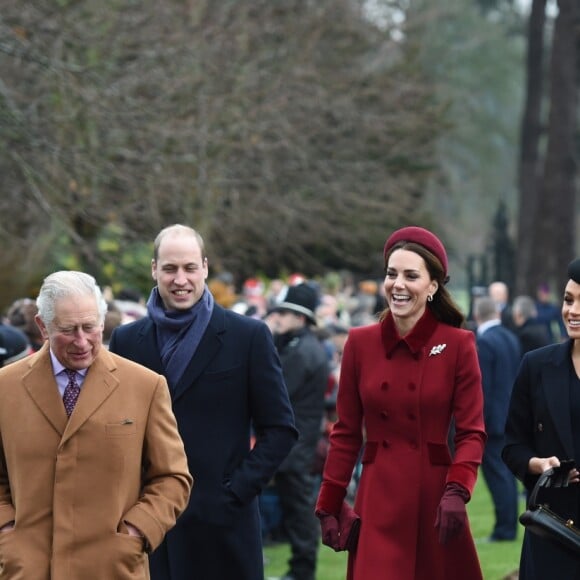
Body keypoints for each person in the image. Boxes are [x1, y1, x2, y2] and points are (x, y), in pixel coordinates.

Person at [108, 224, 297, 580]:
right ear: (154, 270)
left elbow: (280, 429)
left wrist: (235, 491)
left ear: (205, 268)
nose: (180, 279)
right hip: (150, 528)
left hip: (224, 527)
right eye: (170, 268)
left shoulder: (248, 337)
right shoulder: (127, 341)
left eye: (189, 268)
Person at [315, 225, 486, 580]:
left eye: (411, 275)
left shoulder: (458, 345)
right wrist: (329, 503)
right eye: (392, 274)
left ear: (433, 286)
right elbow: (346, 433)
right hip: (377, 498)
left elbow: (472, 432)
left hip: (436, 498)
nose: (398, 284)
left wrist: (458, 490)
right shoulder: (360, 344)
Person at [0, 271, 192, 579]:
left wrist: (138, 530)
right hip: (28, 568)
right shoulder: (5, 387)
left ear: (103, 322)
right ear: (42, 326)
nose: (82, 341)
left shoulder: (145, 386)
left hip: (112, 568)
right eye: (67, 330)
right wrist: (8, 533)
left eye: (90, 327)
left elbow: (172, 477)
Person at [503, 258, 580, 580]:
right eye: (568, 299)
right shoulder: (535, 366)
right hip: (553, 530)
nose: (572, 311)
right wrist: (539, 465)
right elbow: (512, 446)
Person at [271, 282, 329, 580]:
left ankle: (302, 570)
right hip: (298, 443)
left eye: (285, 312)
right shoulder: (300, 346)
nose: (279, 317)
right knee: (296, 509)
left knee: (300, 511)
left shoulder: (302, 351)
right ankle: (300, 568)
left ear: (301, 318)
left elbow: (278, 390)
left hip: (297, 445)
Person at [473, 295, 521, 541]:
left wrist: (477, 422)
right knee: (505, 474)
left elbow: (483, 385)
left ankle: (504, 529)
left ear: (477, 315)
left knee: (497, 474)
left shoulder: (485, 341)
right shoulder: (510, 338)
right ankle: (508, 526)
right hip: (510, 414)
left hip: (492, 419)